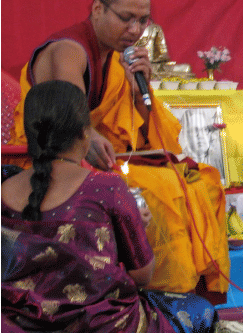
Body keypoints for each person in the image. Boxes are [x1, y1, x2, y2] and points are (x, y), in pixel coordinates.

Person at [9, 0, 230, 294]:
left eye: (143, 20)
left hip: (96, 158)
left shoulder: (115, 58)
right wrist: (89, 135)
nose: (136, 30)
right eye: (126, 18)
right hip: (51, 162)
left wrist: (139, 88)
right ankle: (161, 291)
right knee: (163, 189)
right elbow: (71, 123)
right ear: (98, 8)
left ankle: (189, 291)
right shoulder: (69, 50)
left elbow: (140, 133)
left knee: (200, 181)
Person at [2, 81, 218, 332]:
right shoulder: (106, 187)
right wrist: (135, 227)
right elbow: (142, 275)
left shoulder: (4, 187)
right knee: (199, 310)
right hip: (101, 324)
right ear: (85, 133)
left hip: (19, 324)